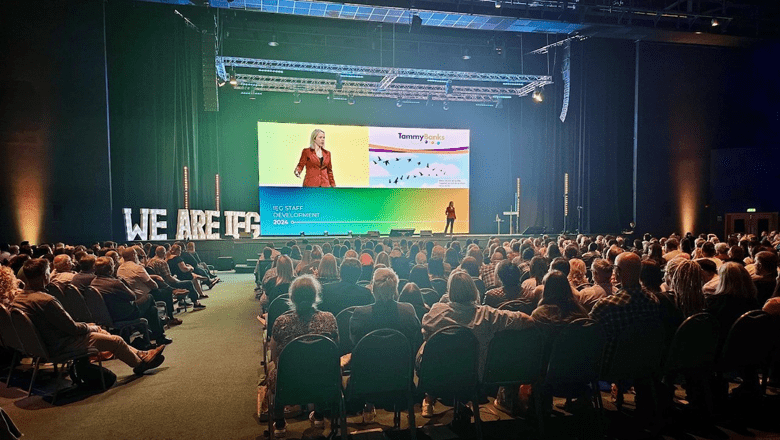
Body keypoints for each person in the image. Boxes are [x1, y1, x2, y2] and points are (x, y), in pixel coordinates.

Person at [9, 259, 165, 377]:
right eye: (49, 271)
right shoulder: (45, 301)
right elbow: (72, 329)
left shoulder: (18, 299)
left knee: (103, 333)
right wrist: (90, 327)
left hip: (42, 344)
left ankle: (141, 353)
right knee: (115, 341)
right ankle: (139, 364)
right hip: (60, 344)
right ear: (44, 274)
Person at [419, 270, 534, 417]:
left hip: (436, 374)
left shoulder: (435, 313)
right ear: (473, 290)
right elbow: (526, 320)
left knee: (427, 345)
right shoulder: (487, 314)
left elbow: (425, 332)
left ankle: (429, 397)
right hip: (473, 377)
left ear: (450, 292)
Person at [264, 275, 338, 437]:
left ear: (291, 297)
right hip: (323, 380)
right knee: (318, 365)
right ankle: (318, 416)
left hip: (289, 382)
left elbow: (275, 358)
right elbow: (334, 352)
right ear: (315, 296)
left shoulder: (281, 322)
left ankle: (280, 424)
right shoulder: (330, 319)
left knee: (272, 367)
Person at [90, 257, 171, 345]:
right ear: (111, 268)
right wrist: (122, 282)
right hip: (126, 314)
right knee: (150, 297)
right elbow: (133, 296)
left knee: (152, 310)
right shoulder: (115, 283)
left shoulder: (93, 282)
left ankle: (153, 332)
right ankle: (159, 333)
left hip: (109, 316)